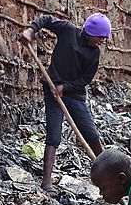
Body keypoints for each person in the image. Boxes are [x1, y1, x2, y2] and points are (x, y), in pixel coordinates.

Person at [20, 13, 109, 191]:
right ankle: (46, 182)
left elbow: (85, 79)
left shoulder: (94, 54)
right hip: (51, 89)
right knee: (53, 135)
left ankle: (108, 175)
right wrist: (31, 30)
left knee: (90, 134)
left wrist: (65, 87)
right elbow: (46, 20)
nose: (101, 41)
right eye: (100, 37)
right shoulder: (68, 31)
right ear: (91, 32)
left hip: (74, 94)